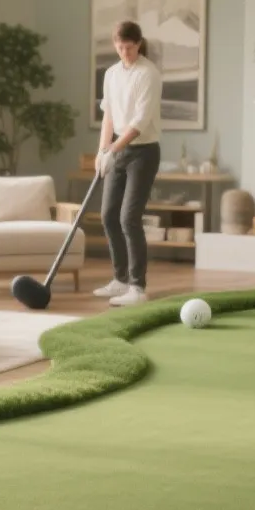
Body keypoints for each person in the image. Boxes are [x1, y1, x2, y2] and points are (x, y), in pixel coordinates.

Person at [93, 21, 164, 307]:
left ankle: (138, 286)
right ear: (115, 45)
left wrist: (113, 149)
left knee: (128, 218)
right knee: (108, 216)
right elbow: (109, 115)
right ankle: (120, 280)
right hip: (118, 151)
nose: (125, 52)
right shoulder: (111, 74)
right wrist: (102, 150)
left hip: (143, 152)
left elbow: (138, 124)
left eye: (130, 47)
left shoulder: (149, 74)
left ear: (139, 43)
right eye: (120, 47)